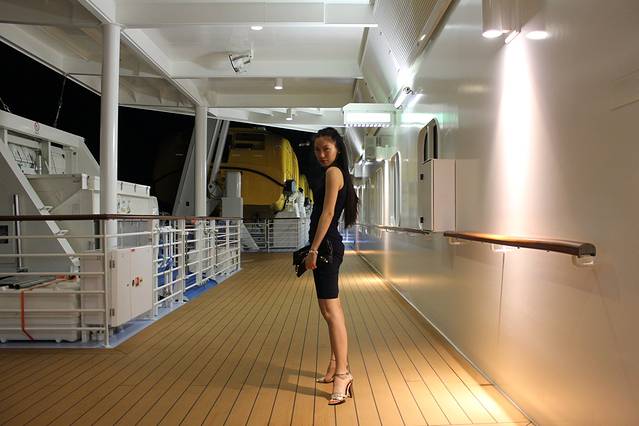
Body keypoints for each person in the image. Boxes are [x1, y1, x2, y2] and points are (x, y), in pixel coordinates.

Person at [305, 127, 359, 405]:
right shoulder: (337, 174)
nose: (321, 154)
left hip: (326, 246)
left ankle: (343, 374)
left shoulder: (332, 173)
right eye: (317, 150)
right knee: (329, 311)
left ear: (337, 148)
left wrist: (313, 249)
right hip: (328, 245)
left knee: (332, 311)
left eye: (326, 149)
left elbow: (326, 213)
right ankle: (335, 364)